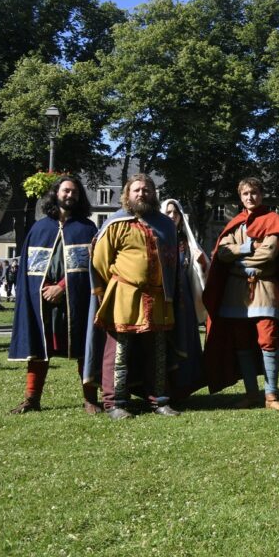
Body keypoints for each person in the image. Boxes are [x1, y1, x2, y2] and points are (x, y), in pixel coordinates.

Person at [86, 174, 181, 420]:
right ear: (127, 194)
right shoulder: (115, 223)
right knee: (118, 352)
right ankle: (114, 402)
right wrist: (124, 281)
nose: (142, 193)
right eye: (136, 190)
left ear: (154, 194)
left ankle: (159, 400)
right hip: (124, 296)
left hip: (158, 298)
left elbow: (173, 262)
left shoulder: (165, 225)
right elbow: (100, 261)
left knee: (157, 352)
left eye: (146, 189)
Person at [8, 176, 101, 414]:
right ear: (56, 193)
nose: (70, 195)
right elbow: (29, 269)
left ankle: (90, 399)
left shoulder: (87, 229)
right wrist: (45, 288)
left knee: (84, 347)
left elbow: (92, 268)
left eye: (75, 192)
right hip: (43, 300)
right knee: (39, 348)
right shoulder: (39, 228)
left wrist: (61, 286)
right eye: (66, 191)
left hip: (77, 299)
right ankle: (32, 399)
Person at [202, 178, 279, 411]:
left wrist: (237, 260)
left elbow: (268, 254)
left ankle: (271, 396)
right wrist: (248, 247)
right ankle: (252, 394)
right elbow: (222, 253)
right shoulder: (235, 223)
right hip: (236, 293)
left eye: (253, 192)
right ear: (240, 197)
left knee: (268, 339)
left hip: (264, 288)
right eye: (245, 194)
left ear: (261, 195)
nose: (250, 197)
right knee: (242, 342)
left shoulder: (273, 220)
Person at [160, 198, 208, 400]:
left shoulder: (187, 243)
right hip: (162, 298)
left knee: (185, 340)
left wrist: (202, 264)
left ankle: (184, 386)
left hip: (184, 300)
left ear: (181, 216)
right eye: (168, 213)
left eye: (175, 213)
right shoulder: (157, 238)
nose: (172, 216)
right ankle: (163, 388)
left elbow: (200, 272)